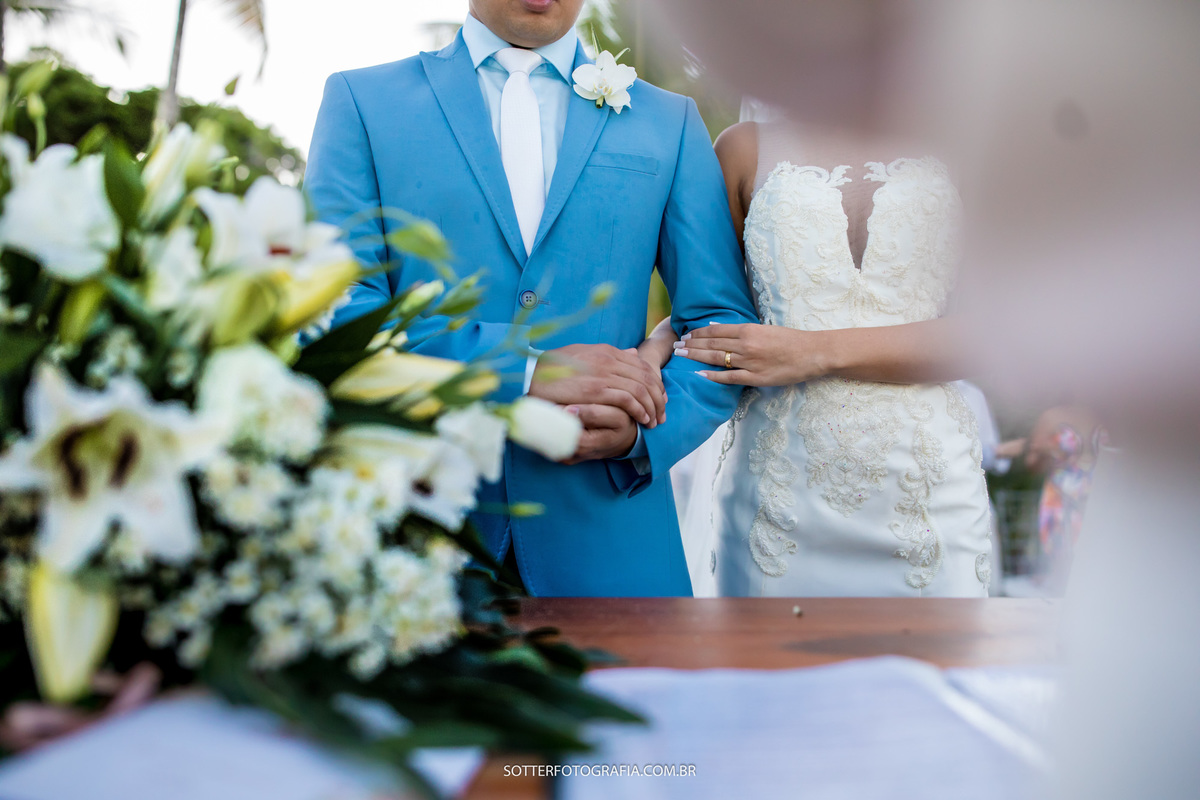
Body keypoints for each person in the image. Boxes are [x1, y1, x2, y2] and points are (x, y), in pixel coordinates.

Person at [304, 0, 758, 596]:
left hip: (611, 539)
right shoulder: (362, 103)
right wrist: (523, 372)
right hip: (408, 541)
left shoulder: (668, 121)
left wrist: (641, 433)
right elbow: (334, 311)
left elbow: (719, 323)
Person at [642, 117, 993, 597]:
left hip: (927, 493)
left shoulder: (965, 144)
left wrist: (814, 352)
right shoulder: (745, 149)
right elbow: (714, 303)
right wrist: (657, 345)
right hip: (777, 493)